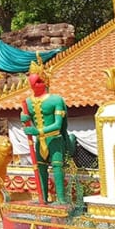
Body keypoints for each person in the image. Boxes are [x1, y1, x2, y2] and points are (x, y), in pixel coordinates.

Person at [20, 56, 74, 205]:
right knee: (40, 168)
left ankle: (61, 200)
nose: (34, 84)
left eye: (38, 81)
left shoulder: (56, 100)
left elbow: (58, 125)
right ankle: (42, 198)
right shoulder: (29, 102)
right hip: (39, 142)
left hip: (54, 139)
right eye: (33, 82)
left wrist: (38, 132)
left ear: (45, 81)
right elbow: (26, 117)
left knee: (57, 166)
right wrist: (23, 117)